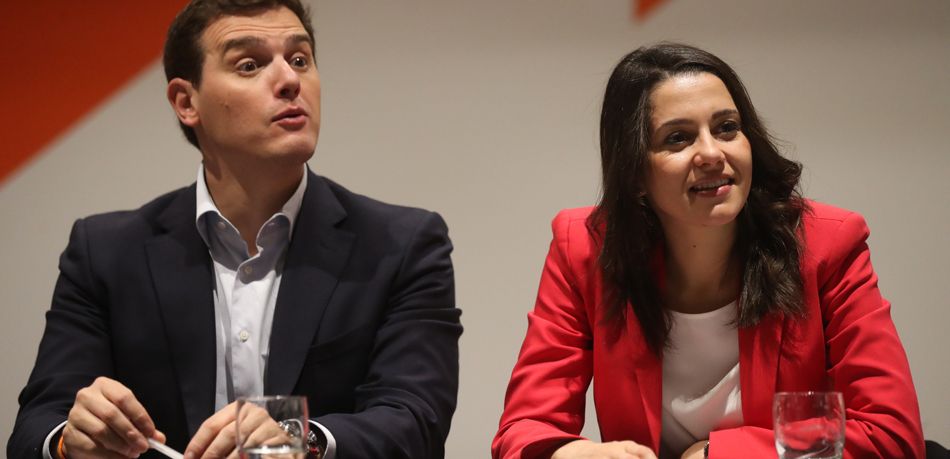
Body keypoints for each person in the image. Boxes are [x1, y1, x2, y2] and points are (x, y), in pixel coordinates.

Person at [8, 1, 462, 459]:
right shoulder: (105, 253)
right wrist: (69, 441)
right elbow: (35, 430)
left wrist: (299, 440)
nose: (289, 80)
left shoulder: (400, 246)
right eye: (249, 64)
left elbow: (416, 420)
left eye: (300, 59)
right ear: (187, 102)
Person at [492, 43, 924, 459]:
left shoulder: (828, 245)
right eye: (678, 138)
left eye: (726, 128)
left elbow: (892, 435)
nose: (712, 153)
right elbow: (523, 430)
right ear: (635, 174)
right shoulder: (585, 249)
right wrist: (572, 452)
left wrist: (721, 454)